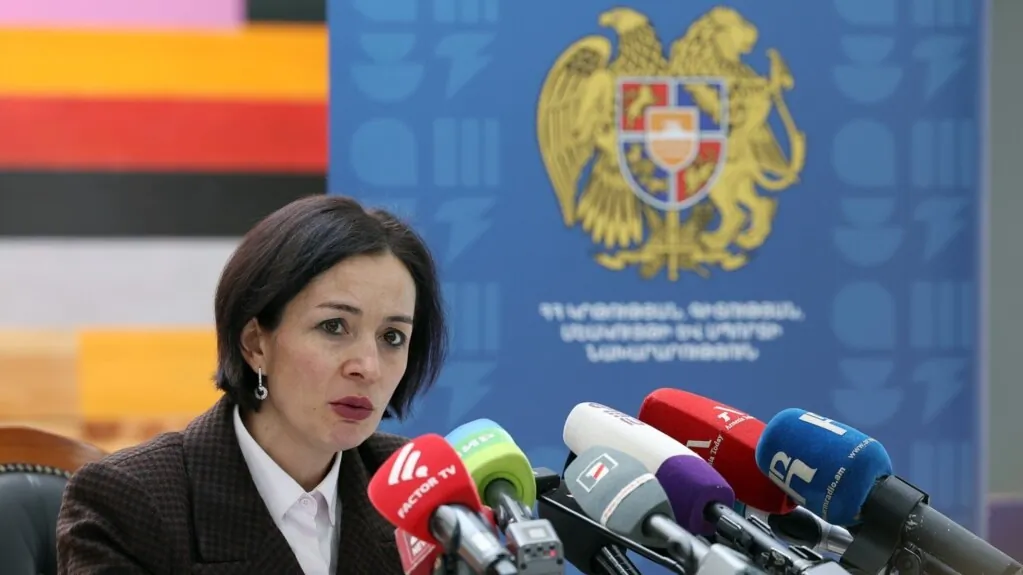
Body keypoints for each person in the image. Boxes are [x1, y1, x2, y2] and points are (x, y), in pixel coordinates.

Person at [56, 195, 447, 575]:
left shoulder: (421, 491)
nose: (368, 367)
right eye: (333, 326)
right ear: (255, 344)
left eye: (392, 337)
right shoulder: (132, 503)